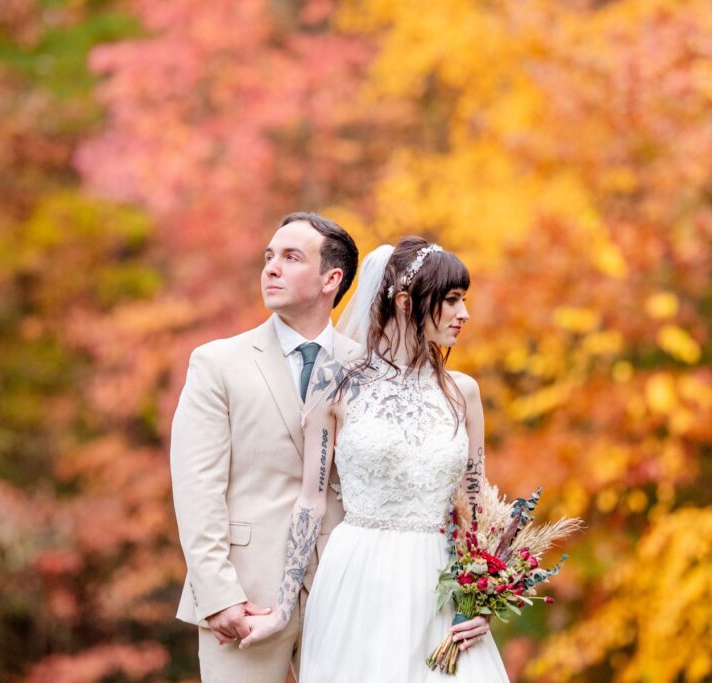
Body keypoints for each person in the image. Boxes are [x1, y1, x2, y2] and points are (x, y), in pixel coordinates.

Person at [239, 237, 510, 681]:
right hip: (358, 578)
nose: (465, 315)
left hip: (439, 586)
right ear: (407, 302)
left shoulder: (464, 393)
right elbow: (310, 501)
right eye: (453, 301)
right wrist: (282, 609)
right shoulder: (337, 385)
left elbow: (476, 506)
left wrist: (483, 604)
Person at [169, 212, 362, 682]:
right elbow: (197, 489)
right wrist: (219, 595)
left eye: (291, 258)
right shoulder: (218, 363)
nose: (271, 268)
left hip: (346, 593)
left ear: (330, 279)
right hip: (246, 598)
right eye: (268, 257)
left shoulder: (368, 369)